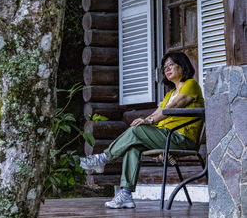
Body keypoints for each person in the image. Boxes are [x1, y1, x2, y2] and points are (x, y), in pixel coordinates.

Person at [80, 52, 204, 209]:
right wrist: (147, 120)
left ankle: (103, 158)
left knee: (135, 132)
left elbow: (173, 107)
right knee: (134, 146)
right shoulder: (169, 94)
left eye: (171, 64)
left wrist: (149, 121)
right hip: (166, 137)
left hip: (182, 138)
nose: (167, 69)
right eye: (165, 67)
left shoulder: (190, 85)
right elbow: (156, 112)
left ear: (183, 65)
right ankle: (125, 194)